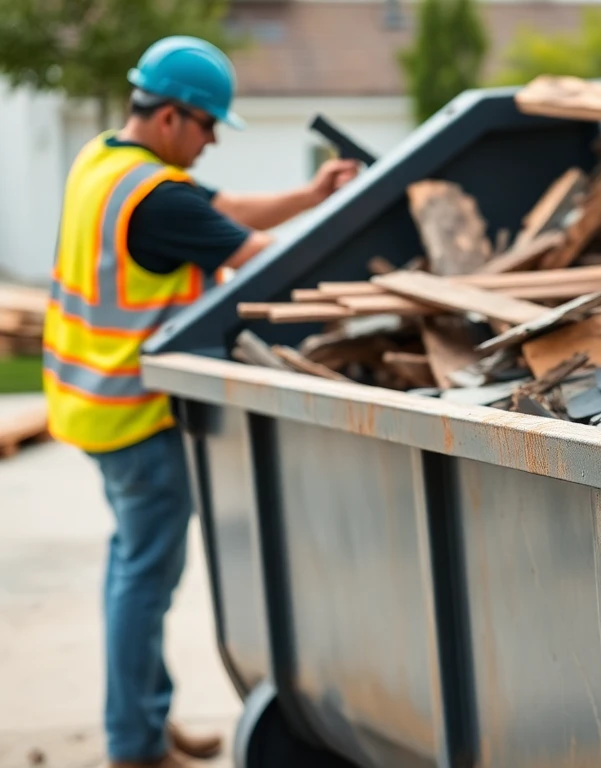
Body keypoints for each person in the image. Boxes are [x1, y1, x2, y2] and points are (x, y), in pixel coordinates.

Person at [42, 36, 359, 768]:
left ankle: (144, 719)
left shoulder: (107, 162)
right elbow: (259, 254)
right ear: (171, 118)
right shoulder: (157, 200)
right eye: (208, 124)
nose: (213, 139)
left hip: (88, 403)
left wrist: (311, 196)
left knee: (135, 568)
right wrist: (346, 224)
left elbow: (220, 208)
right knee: (144, 579)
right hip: (134, 415)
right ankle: (136, 742)